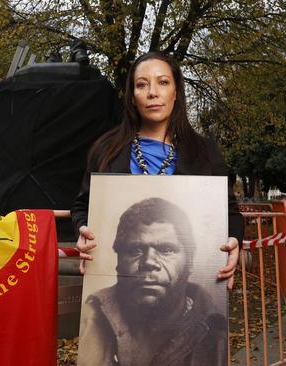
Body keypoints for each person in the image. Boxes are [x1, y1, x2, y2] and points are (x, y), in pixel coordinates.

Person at [71, 51, 244, 287]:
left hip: (188, 290)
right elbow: (82, 205)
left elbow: (229, 212)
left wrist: (235, 240)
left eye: (163, 82)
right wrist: (82, 229)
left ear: (176, 93)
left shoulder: (205, 151)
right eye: (142, 85)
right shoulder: (106, 149)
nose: (153, 92)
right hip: (119, 283)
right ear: (132, 96)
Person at [78, 198, 227, 366]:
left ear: (189, 261)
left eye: (167, 250)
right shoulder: (94, 315)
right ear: (118, 261)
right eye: (136, 250)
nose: (149, 261)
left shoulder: (215, 328)